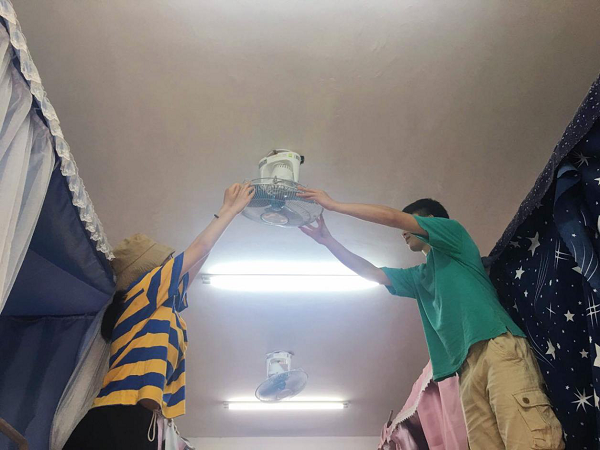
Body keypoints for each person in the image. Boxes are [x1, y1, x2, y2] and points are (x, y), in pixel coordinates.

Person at [297, 188, 564, 450]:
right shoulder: (420, 277)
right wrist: (328, 241)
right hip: (465, 369)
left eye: (410, 223)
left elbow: (392, 217)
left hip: (496, 346)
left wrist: (334, 205)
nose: (403, 233)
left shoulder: (454, 238)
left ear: (432, 222)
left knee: (529, 440)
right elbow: (375, 274)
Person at [64, 182, 255, 450]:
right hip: (120, 416)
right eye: (166, 262)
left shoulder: (157, 306)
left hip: (129, 419)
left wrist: (226, 213)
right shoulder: (143, 292)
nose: (173, 264)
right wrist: (228, 212)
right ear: (150, 270)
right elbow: (200, 248)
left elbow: (200, 257)